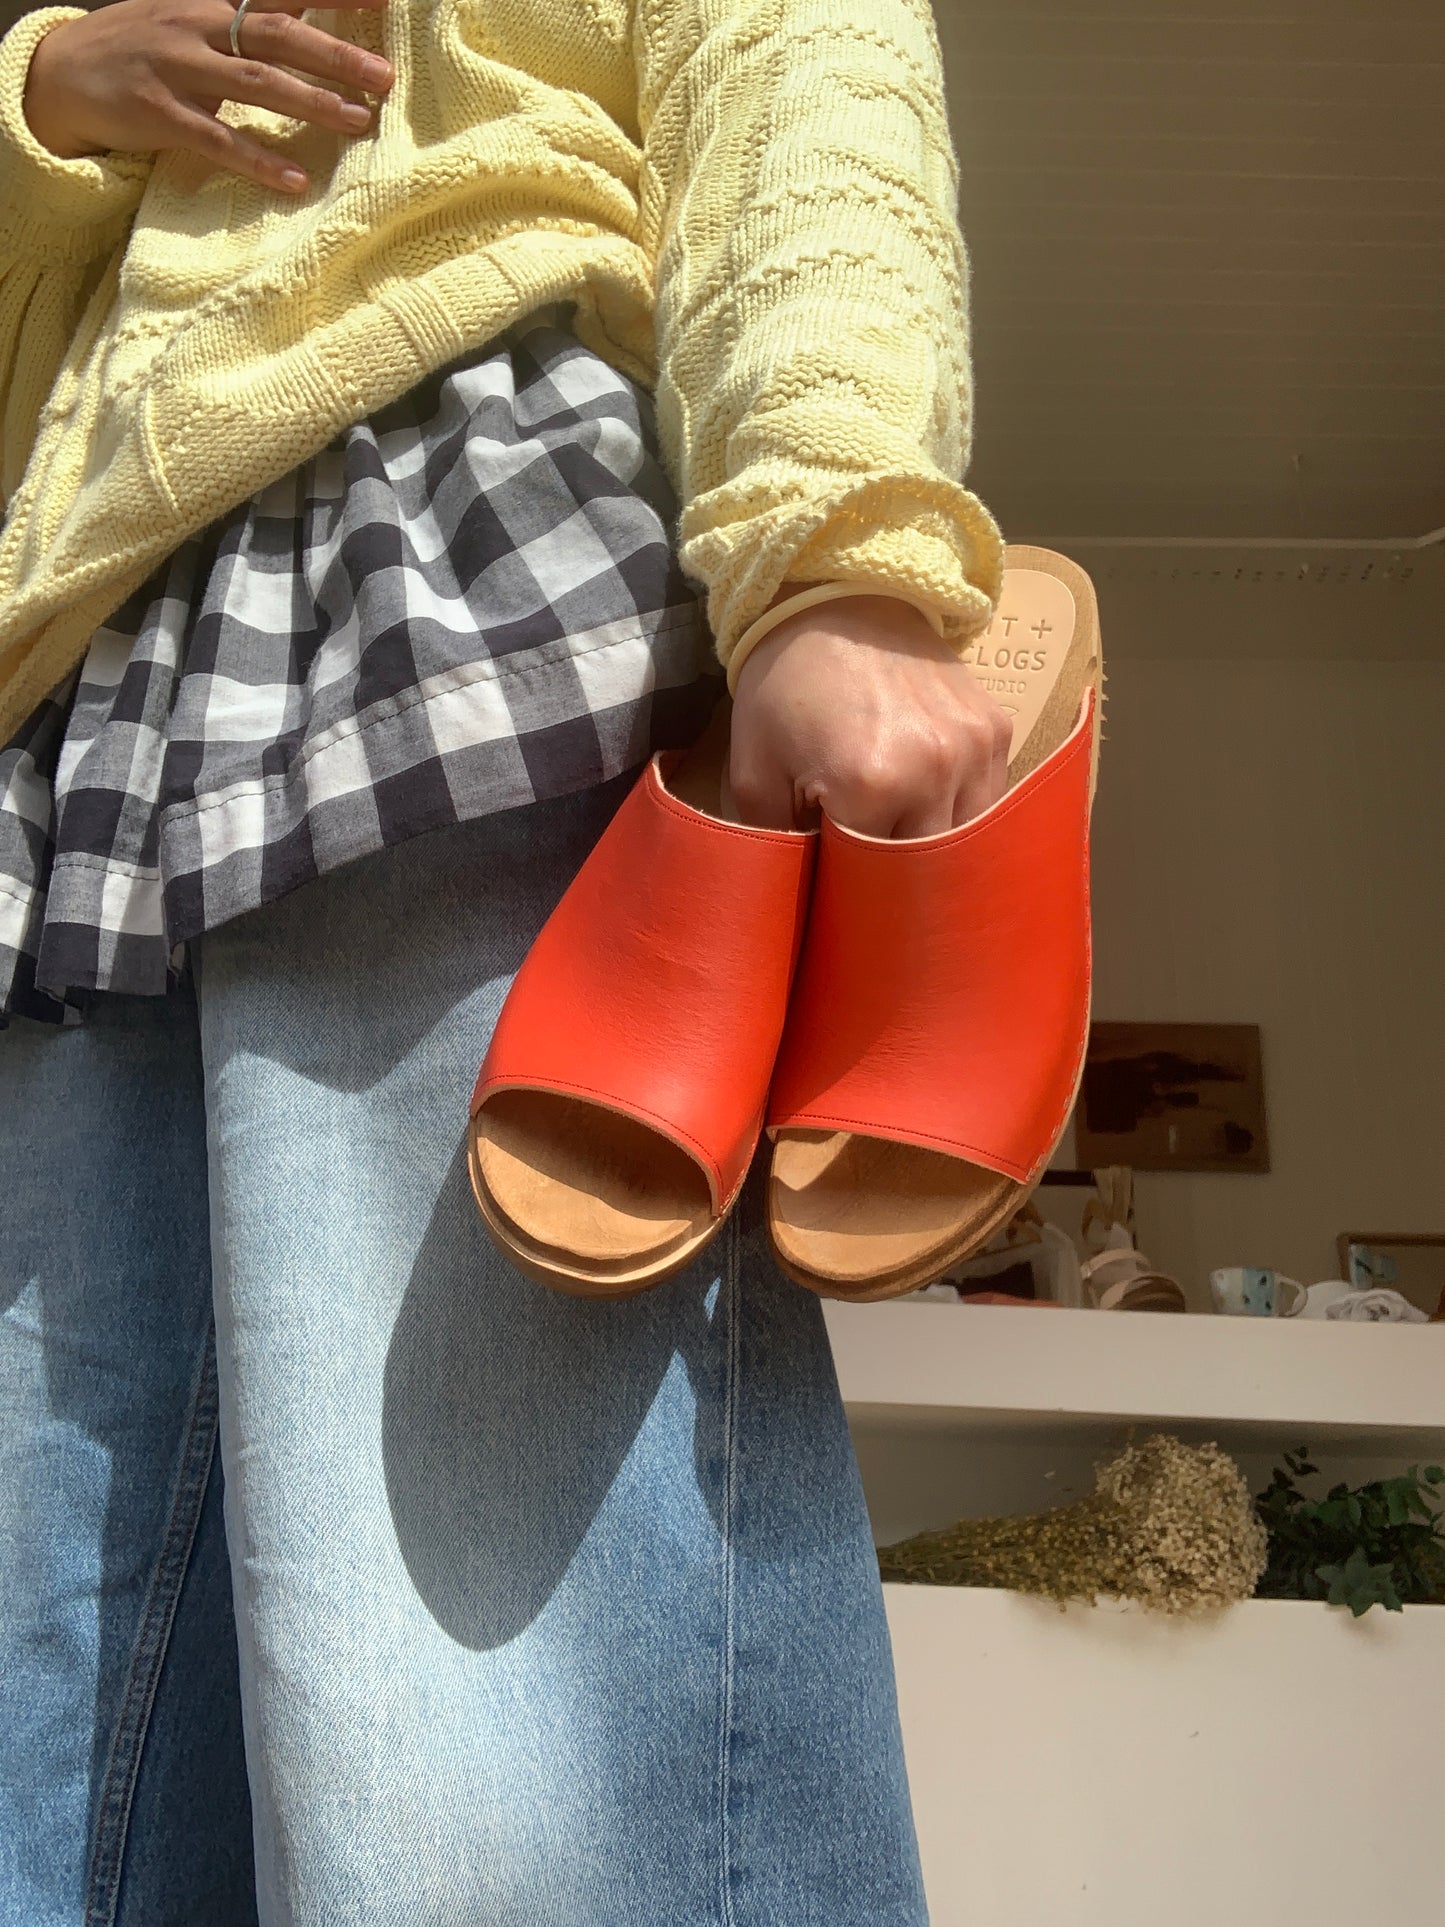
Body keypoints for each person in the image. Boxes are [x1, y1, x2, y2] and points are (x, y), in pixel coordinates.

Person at [0, 0, 1005, 1918]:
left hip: (447, 583)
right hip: (77, 724)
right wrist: (35, 101)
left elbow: (800, 69)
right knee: (57, 1679)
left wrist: (834, 548)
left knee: (472, 1688)